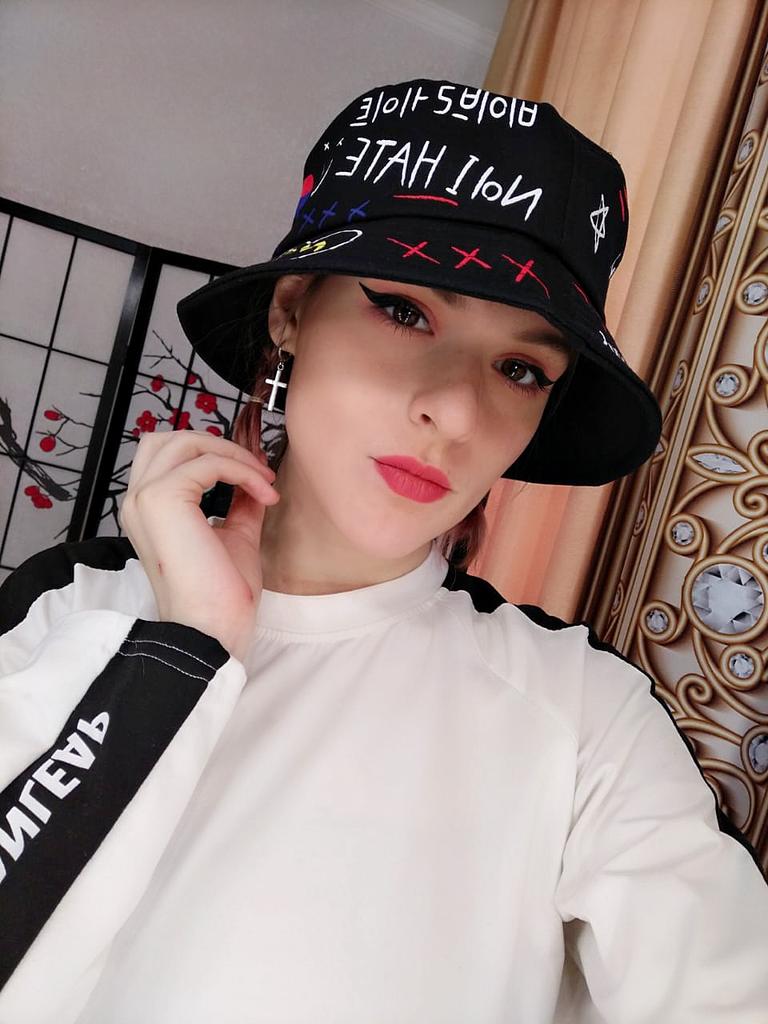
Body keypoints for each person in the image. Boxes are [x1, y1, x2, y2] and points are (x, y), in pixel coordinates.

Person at [0, 77, 766, 1024]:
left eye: (521, 368)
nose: (457, 411)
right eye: (405, 312)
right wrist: (180, 652)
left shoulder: (583, 715)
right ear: (291, 312)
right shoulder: (69, 608)